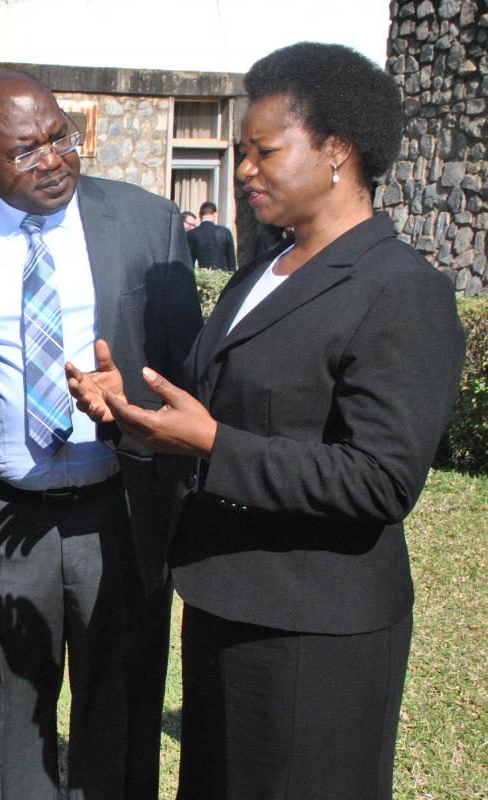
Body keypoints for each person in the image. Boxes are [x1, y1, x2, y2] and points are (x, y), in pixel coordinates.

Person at [69, 43, 465, 798]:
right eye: (238, 152)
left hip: (315, 628)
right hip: (223, 596)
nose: (244, 170)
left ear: (336, 151)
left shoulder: (400, 290)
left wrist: (213, 444)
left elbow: (380, 480)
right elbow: (219, 413)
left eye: (263, 151)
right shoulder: (259, 273)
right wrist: (130, 414)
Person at [0, 69, 202, 800]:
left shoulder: (145, 225)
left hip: (118, 510)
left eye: (61, 137)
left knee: (120, 700)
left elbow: (184, 375)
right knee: (10, 711)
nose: (53, 160)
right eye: (25, 151)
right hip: (0, 515)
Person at [186, 201, 236, 270]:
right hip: (222, 277)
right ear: (215, 214)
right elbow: (231, 262)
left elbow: (189, 262)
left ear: (200, 215)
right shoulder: (225, 232)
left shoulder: (192, 233)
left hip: (202, 276)